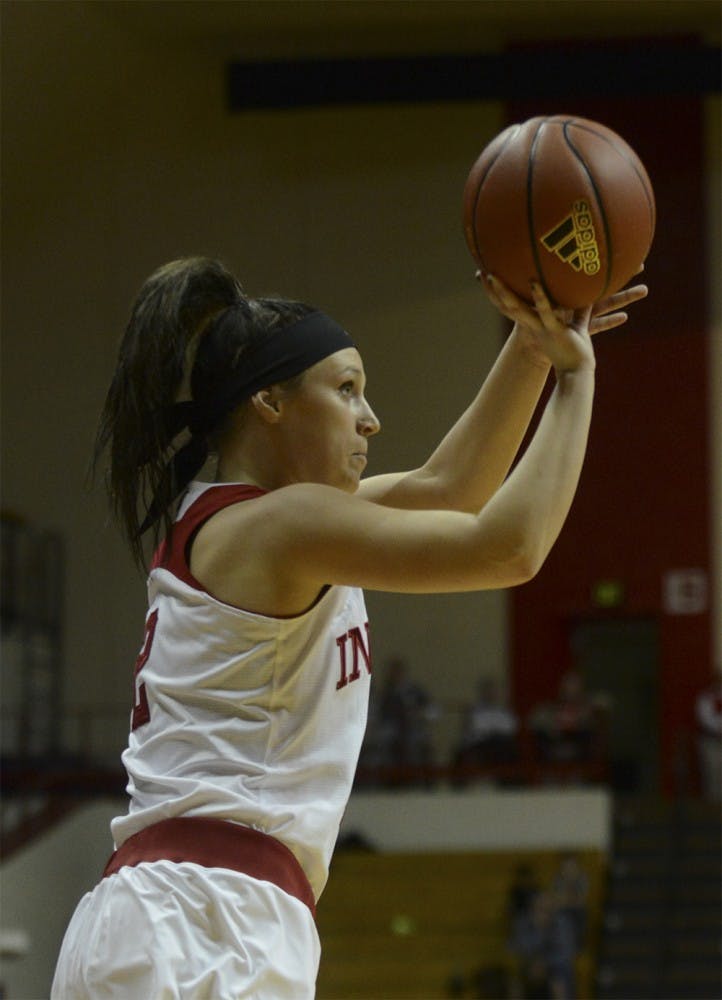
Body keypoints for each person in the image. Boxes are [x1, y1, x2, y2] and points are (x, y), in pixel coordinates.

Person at [51, 256, 646, 998]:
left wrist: (531, 345)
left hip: (186, 914)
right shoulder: (280, 526)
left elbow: (451, 489)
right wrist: (578, 379)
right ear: (268, 399)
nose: (371, 418)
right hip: (201, 918)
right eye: (346, 389)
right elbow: (509, 547)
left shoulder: (266, 527)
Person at [453, 676, 520, 780]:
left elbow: (510, 729)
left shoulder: (504, 712)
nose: (491, 694)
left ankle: (509, 785)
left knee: (509, 749)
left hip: (500, 745)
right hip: (480, 745)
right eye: (488, 691)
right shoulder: (474, 711)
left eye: (494, 691)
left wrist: (493, 731)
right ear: (482, 692)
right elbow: (477, 729)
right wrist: (492, 731)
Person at [695, 669, 722, 801]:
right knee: (712, 775)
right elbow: (705, 720)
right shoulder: (705, 698)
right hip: (711, 742)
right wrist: (719, 729)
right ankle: (713, 809)